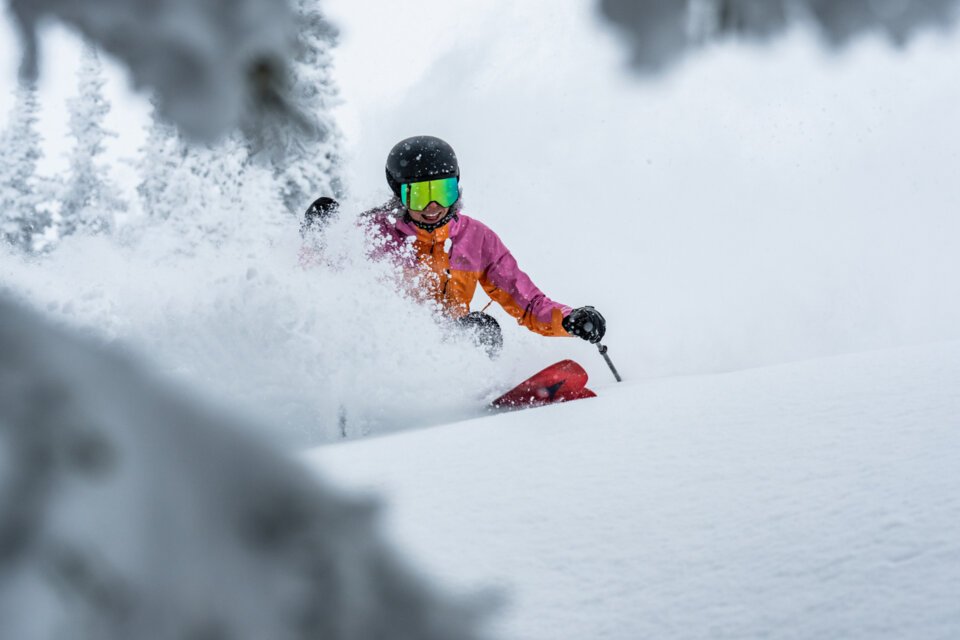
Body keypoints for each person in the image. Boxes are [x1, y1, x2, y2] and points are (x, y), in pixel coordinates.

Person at [355, 135, 607, 356]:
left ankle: (466, 394)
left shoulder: (476, 238)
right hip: (386, 350)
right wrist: (319, 229)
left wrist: (568, 318)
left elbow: (527, 302)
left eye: (443, 192)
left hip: (446, 349)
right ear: (399, 193)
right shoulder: (372, 233)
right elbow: (325, 277)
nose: (433, 206)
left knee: (480, 329)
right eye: (420, 195)